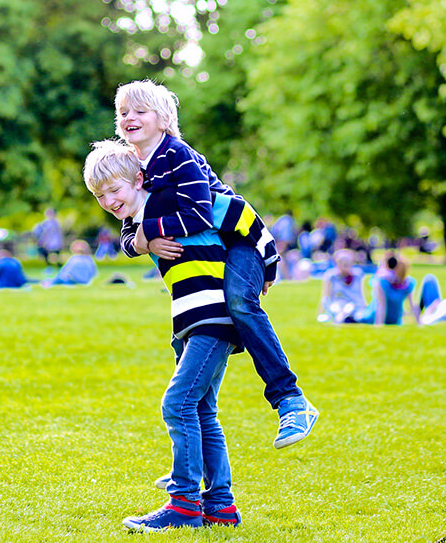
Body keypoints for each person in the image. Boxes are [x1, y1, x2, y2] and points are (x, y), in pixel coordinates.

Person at [113, 80, 317, 450]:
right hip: (213, 252)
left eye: (140, 111)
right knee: (196, 331)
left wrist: (151, 232)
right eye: (124, 112)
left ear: (164, 119)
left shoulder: (178, 155)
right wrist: (141, 242)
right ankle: (193, 460)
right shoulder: (133, 166)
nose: (130, 117)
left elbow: (200, 214)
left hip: (240, 238)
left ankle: (291, 400)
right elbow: (129, 230)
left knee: (238, 301)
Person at [85, 140, 248, 531]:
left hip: (212, 315)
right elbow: (128, 240)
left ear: (139, 179)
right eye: (100, 196)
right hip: (192, 318)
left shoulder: (166, 201)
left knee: (177, 403)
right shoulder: (138, 217)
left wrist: (148, 235)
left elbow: (209, 206)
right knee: (202, 409)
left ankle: (184, 504)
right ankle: (221, 506)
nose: (108, 201)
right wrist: (140, 241)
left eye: (114, 190)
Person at [353, 255, 419, 325]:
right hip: (375, 317)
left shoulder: (408, 283)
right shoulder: (382, 282)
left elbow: (413, 304)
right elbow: (381, 305)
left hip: (394, 319)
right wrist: (379, 325)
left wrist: (419, 323)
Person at [317, 249, 366, 323]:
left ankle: (345, 318)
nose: (345, 264)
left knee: (352, 310)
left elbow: (360, 294)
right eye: (342, 262)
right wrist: (320, 312)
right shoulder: (331, 276)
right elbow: (325, 296)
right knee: (338, 309)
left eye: (347, 262)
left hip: (355, 304)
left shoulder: (358, 275)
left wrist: (364, 306)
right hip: (338, 304)